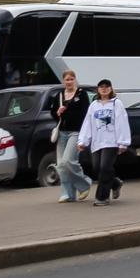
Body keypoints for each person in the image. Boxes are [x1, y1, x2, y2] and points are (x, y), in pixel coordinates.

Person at [77, 79, 130, 206]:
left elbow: (121, 123)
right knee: (97, 169)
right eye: (101, 87)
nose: (104, 89)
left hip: (111, 142)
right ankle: (115, 183)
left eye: (107, 87)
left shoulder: (116, 104)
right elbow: (88, 124)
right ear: (98, 89)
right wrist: (83, 140)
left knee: (105, 167)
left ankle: (102, 197)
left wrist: (123, 142)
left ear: (111, 89)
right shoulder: (94, 105)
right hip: (97, 142)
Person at [48, 70, 92, 202]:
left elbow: (83, 115)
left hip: (76, 132)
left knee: (68, 160)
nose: (69, 82)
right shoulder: (59, 95)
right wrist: (57, 113)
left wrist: (65, 114)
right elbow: (54, 114)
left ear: (75, 80)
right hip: (62, 132)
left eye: (71, 79)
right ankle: (67, 194)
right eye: (67, 80)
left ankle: (84, 184)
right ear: (63, 81)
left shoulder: (81, 94)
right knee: (61, 164)